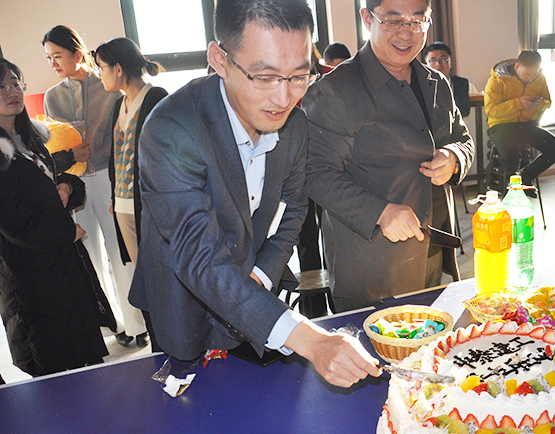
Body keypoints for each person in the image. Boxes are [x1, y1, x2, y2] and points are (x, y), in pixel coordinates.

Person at [130, 0, 379, 388]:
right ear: (220, 59)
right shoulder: (172, 129)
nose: (284, 99)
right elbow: (199, 259)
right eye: (264, 77)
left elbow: (292, 210)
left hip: (259, 292)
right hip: (185, 300)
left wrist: (261, 274)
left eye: (299, 76)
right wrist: (310, 339)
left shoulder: (295, 126)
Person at [302, 0, 475, 312]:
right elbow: (314, 173)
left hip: (434, 252)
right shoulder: (336, 90)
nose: (406, 33)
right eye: (393, 20)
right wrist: (380, 212)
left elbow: (463, 140)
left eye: (417, 21)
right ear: (367, 19)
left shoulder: (436, 83)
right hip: (374, 266)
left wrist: (454, 158)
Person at [0, 59, 109, 376]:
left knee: (84, 360)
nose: (11, 92)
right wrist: (66, 232)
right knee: (55, 369)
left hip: (63, 266)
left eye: (16, 83)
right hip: (29, 276)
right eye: (1, 86)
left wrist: (67, 187)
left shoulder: (31, 139)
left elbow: (56, 182)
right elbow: (14, 221)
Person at [42, 25, 148, 347]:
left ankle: (137, 322)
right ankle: (113, 323)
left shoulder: (109, 87)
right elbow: (51, 144)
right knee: (90, 256)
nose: (53, 63)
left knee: (120, 251)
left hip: (106, 176)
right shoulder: (52, 96)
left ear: (77, 53)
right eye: (48, 58)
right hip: (73, 182)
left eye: (57, 55)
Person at [94, 38, 167, 268]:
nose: (99, 74)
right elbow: (117, 157)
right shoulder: (119, 104)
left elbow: (165, 157)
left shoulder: (156, 98)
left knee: (161, 273)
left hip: (148, 207)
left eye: (101, 68)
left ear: (118, 68)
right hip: (123, 206)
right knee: (142, 276)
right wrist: (115, 198)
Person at [484, 50, 555, 190]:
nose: (530, 78)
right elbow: (491, 110)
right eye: (527, 74)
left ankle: (524, 177)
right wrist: (518, 103)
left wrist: (538, 104)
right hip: (501, 125)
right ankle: (513, 191)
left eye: (534, 74)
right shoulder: (497, 79)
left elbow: (547, 102)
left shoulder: (539, 78)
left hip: (527, 124)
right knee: (512, 154)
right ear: (517, 66)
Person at [423, 41, 471, 117]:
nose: (438, 64)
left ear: (451, 63)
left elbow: (465, 110)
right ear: (426, 65)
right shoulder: (421, 84)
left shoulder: (461, 83)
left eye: (443, 59)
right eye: (433, 60)